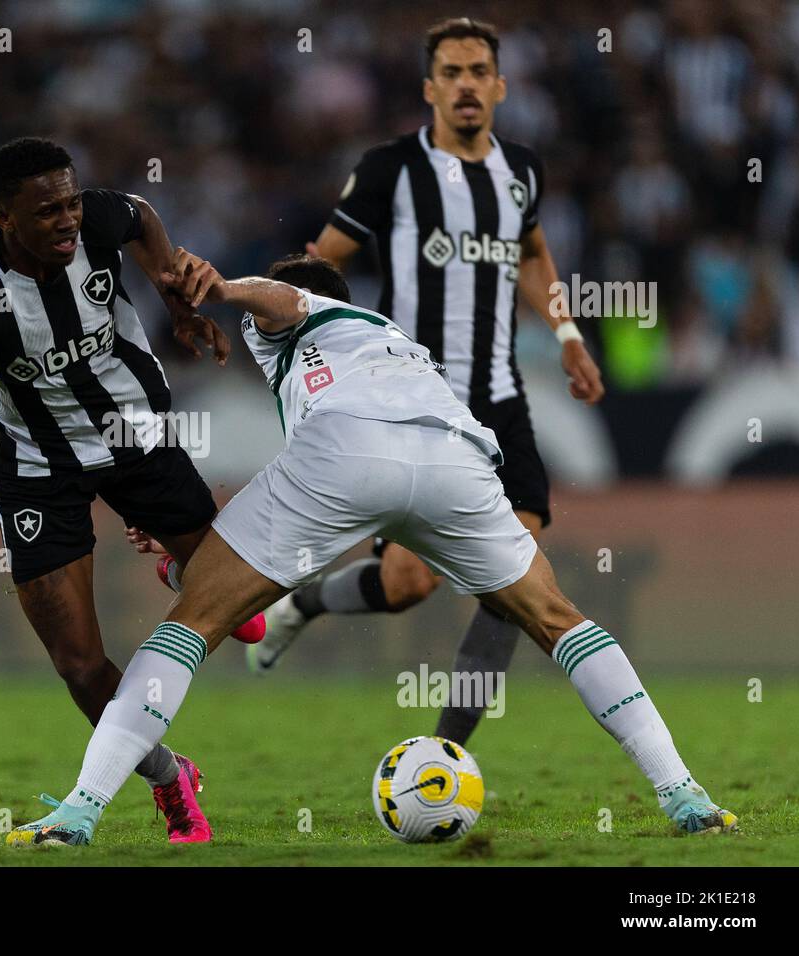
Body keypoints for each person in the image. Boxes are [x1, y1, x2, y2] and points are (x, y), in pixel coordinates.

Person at [8, 250, 735, 846]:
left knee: (189, 623)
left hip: (346, 453)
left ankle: (79, 811)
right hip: (453, 459)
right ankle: (683, 794)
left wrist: (227, 288)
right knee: (558, 618)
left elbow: (283, 302)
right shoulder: (392, 336)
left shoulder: (298, 318)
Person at [0, 137, 262, 844]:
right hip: (35, 468)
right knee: (80, 664)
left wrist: (173, 291)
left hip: (133, 439)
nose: (68, 221)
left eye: (72, 202)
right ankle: (172, 781)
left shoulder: (103, 221)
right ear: (5, 219)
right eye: (47, 210)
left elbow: (142, 214)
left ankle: (184, 562)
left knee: (249, 610)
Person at [251, 17, 605, 750]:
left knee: (518, 578)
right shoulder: (390, 171)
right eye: (452, 72)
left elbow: (534, 253)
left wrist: (567, 334)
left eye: (480, 70)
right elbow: (320, 268)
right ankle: (308, 601)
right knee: (410, 585)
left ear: (500, 86)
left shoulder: (523, 172)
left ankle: (446, 752)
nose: (467, 84)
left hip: (501, 400)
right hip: (419, 405)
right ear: (429, 87)